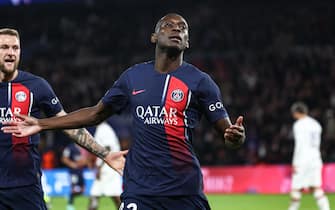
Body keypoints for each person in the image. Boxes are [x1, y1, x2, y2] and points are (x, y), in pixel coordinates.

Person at [2, 13, 245, 210]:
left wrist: (235, 137)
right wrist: (43, 124)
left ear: (187, 41)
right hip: (140, 190)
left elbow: (227, 132)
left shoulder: (201, 82)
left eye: (182, 27)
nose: (176, 29)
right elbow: (97, 113)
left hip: (185, 189)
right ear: (154, 37)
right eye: (168, 25)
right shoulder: (133, 77)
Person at [0, 28, 127, 210]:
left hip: (26, 188)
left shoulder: (36, 86)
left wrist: (104, 154)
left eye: (15, 48)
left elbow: (68, 124)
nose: (11, 53)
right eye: (4, 47)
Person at [288, 102, 330, 210]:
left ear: (297, 112)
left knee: (296, 189)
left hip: (302, 160)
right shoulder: (316, 124)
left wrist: (294, 163)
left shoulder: (298, 125)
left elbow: (300, 145)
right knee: (316, 188)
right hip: (315, 159)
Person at [88, 121, 123, 210]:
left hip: (108, 166)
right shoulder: (103, 128)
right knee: (95, 193)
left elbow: (108, 147)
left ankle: (125, 208)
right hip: (107, 165)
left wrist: (99, 166)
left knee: (114, 194)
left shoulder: (104, 129)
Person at [61, 143, 87, 210]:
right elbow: (64, 158)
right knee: (74, 188)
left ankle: (69, 196)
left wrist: (83, 163)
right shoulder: (70, 148)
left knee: (82, 190)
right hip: (73, 172)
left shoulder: (83, 148)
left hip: (81, 172)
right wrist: (72, 164)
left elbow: (85, 160)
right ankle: (70, 205)